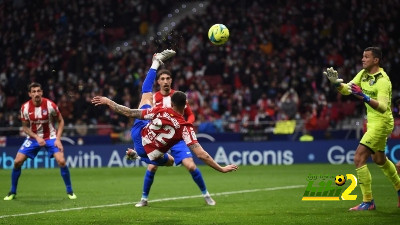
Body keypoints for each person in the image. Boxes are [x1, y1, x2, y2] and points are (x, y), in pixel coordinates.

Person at [91, 49, 238, 202]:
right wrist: (221, 168)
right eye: (163, 78)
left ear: (172, 103)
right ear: (185, 104)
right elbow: (202, 154)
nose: (166, 81)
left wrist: (109, 101)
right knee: (170, 162)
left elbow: (128, 112)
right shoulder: (185, 128)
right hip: (154, 149)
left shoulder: (161, 109)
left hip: (140, 135)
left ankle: (155, 63)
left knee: (145, 97)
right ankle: (143, 192)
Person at [324, 47, 400, 210]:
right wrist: (336, 83)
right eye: (362, 56)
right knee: (379, 160)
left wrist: (364, 96)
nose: (362, 59)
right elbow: (347, 90)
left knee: (359, 158)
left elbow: (382, 106)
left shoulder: (383, 81)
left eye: (366, 57)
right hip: (372, 123)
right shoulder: (363, 74)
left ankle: (368, 201)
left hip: (382, 122)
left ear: (376, 60)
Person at [131, 68, 217, 207]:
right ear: (158, 81)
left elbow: (190, 114)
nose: (165, 81)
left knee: (190, 165)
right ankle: (144, 199)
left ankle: (206, 194)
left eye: (168, 78)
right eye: (162, 79)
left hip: (176, 138)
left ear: (171, 80)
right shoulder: (154, 97)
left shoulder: (178, 97)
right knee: (152, 167)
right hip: (159, 139)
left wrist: (187, 125)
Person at [4, 82, 77, 200]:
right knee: (17, 162)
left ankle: (70, 191)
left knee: (61, 161)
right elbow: (25, 127)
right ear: (29, 94)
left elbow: (61, 121)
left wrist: (58, 139)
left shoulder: (50, 105)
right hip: (33, 138)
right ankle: (12, 191)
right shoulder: (25, 108)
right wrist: (37, 137)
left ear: (42, 92)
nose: (36, 93)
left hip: (50, 137)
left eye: (38, 91)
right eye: (34, 92)